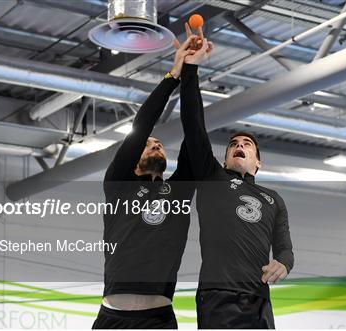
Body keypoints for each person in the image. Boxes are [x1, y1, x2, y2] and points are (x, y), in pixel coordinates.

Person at [180, 35, 294, 329]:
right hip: (219, 296)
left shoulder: (273, 199)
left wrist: (283, 263)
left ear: (258, 162)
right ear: (225, 158)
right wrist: (191, 69)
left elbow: (284, 248)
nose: (239, 145)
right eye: (233, 144)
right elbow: (193, 122)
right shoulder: (212, 178)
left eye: (247, 144)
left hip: (259, 299)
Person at [92, 35, 197, 329]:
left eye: (160, 144)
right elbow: (142, 125)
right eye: (148, 144)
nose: (155, 145)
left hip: (158, 320)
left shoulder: (179, 192)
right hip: (112, 319)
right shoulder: (118, 185)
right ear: (131, 160)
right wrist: (172, 75)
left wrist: (192, 72)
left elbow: (194, 129)